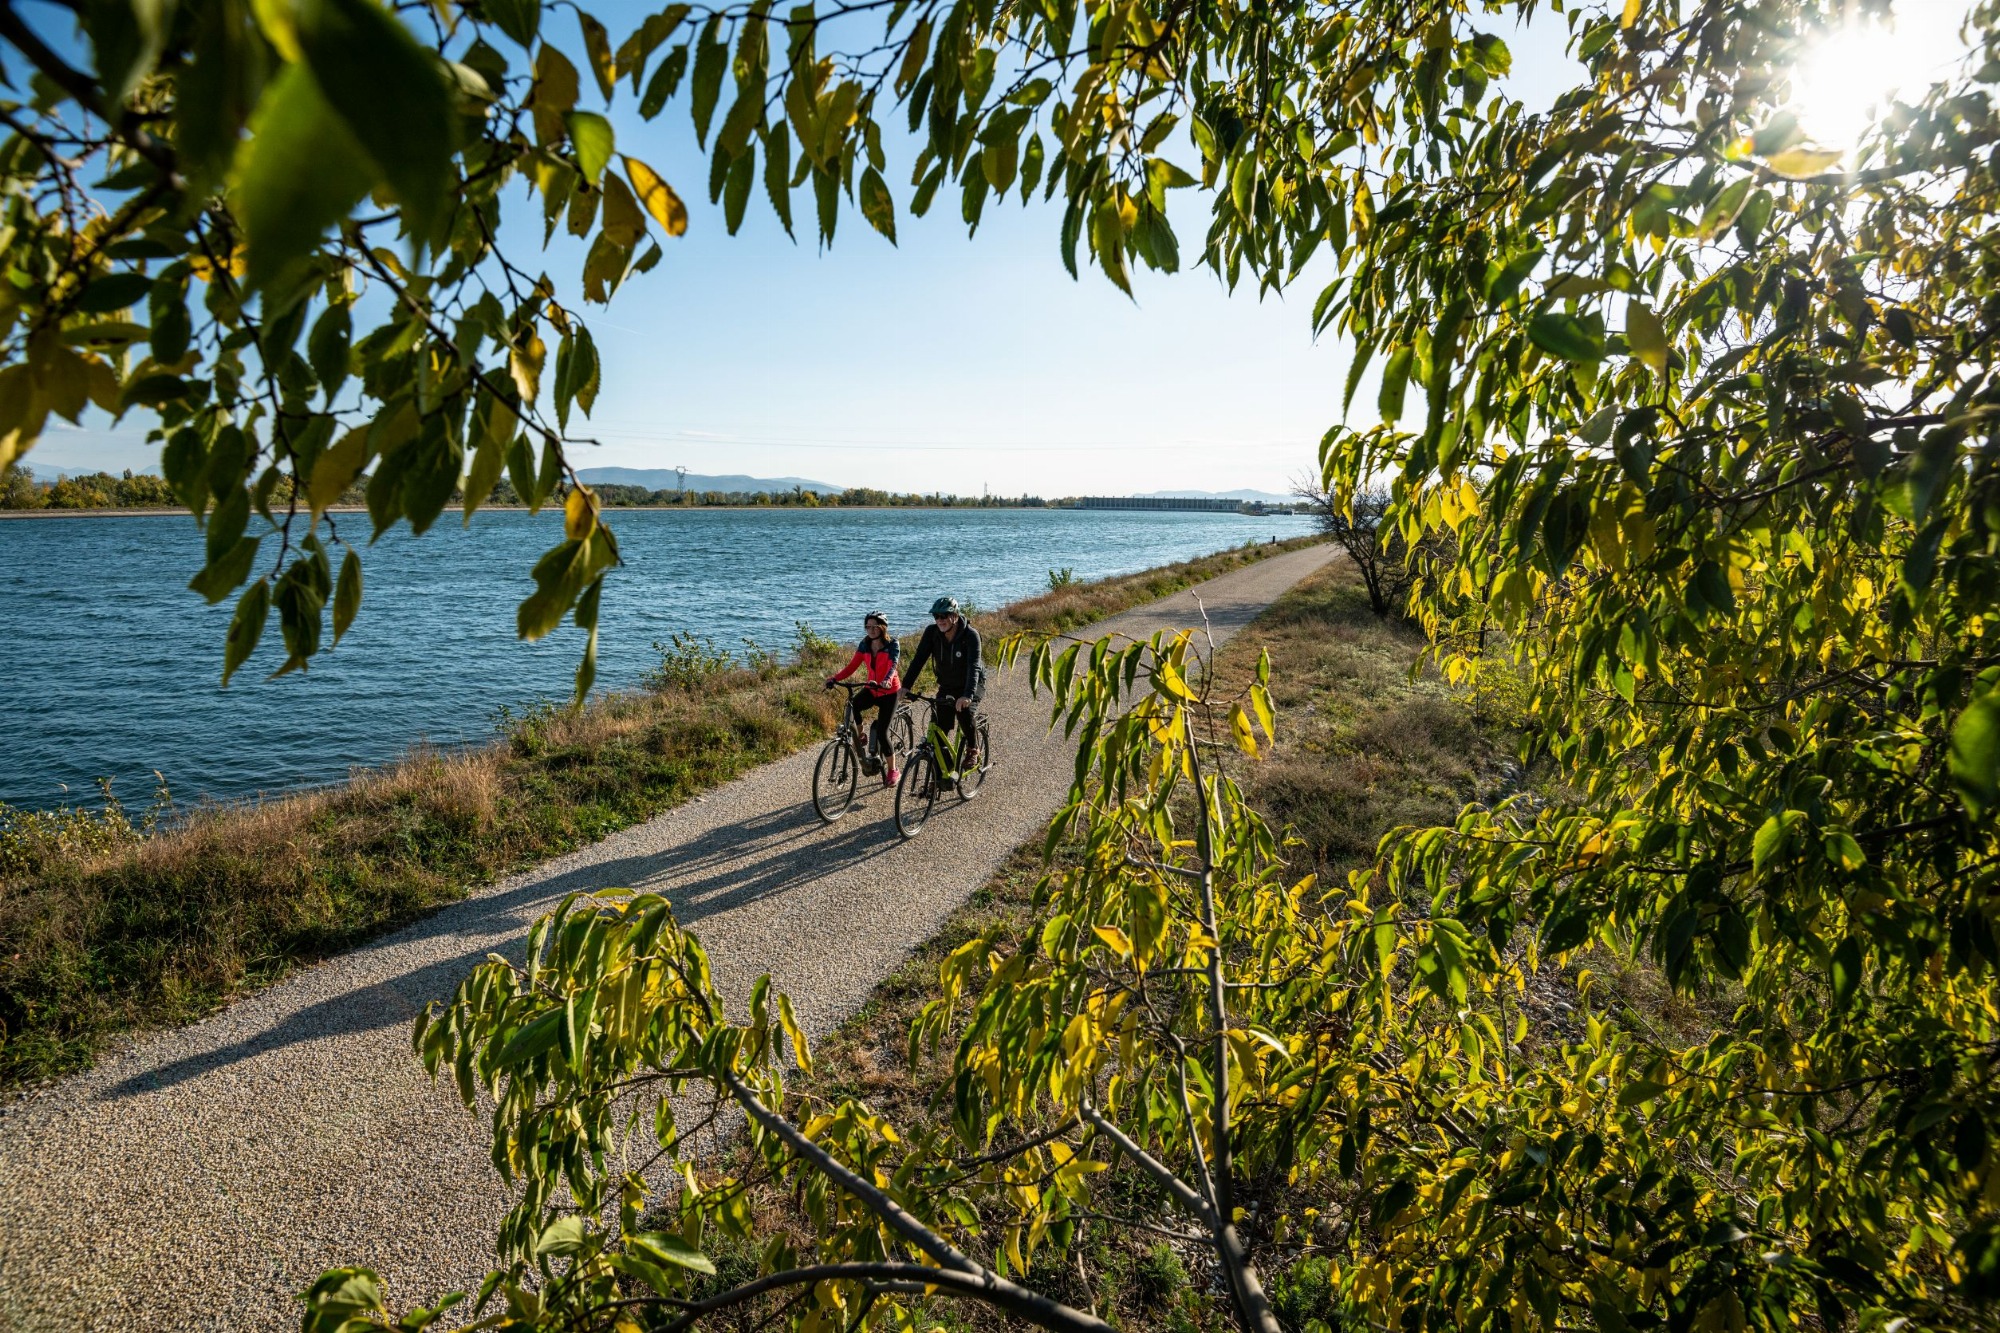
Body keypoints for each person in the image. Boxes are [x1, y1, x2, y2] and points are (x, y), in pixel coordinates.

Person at [903, 595, 984, 788]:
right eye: (936, 616)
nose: (940, 620)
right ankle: (945, 776)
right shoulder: (932, 633)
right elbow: (918, 660)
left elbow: (974, 667)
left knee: (963, 711)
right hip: (947, 685)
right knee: (937, 731)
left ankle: (973, 748)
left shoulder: (970, 635)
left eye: (944, 615)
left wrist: (967, 695)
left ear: (955, 616)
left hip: (972, 684)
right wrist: (905, 686)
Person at [825, 611, 902, 785]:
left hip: (889, 692)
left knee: (882, 733)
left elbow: (893, 666)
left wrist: (887, 680)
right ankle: (861, 735)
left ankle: (893, 770)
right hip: (872, 688)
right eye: (868, 627)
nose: (871, 630)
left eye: (875, 626)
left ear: (882, 627)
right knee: (853, 705)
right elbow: (851, 666)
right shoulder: (864, 645)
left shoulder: (892, 644)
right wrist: (834, 678)